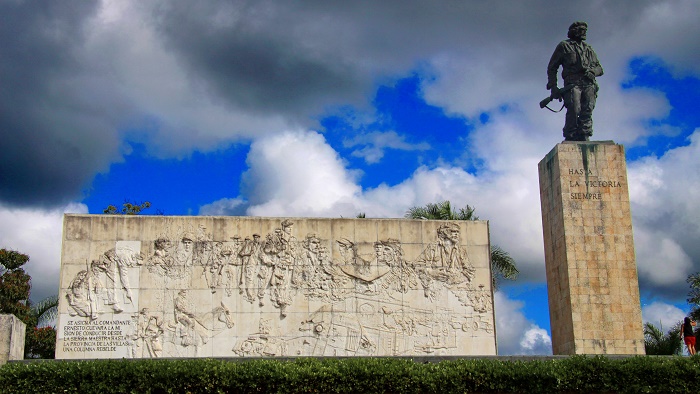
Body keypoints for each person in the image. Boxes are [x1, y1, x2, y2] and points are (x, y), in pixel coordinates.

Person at [547, 21, 604, 141]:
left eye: (585, 30)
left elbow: (600, 68)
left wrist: (593, 72)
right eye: (581, 30)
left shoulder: (588, 49)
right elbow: (552, 67)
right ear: (573, 31)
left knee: (588, 108)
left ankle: (585, 134)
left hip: (588, 83)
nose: (584, 32)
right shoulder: (564, 46)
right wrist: (553, 86)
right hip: (572, 83)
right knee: (574, 108)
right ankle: (571, 134)